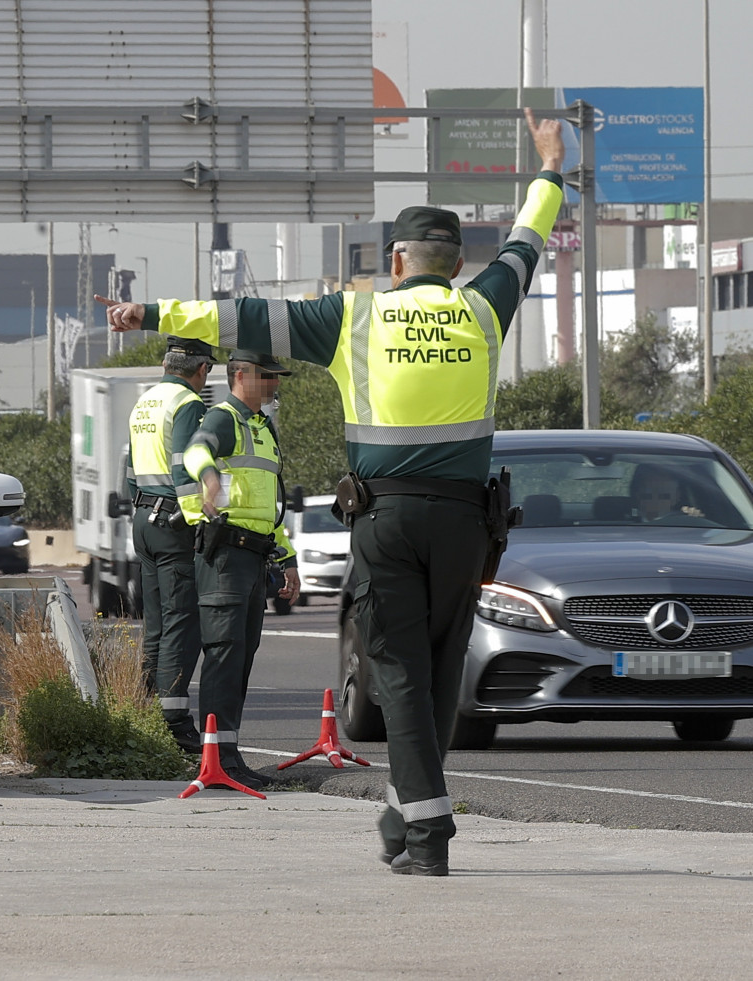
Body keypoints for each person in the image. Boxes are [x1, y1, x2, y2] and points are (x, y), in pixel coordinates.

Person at [97, 107, 565, 871]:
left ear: (398, 259)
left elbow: (239, 314)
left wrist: (145, 313)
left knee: (399, 668)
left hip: (386, 521)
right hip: (465, 523)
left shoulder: (353, 318)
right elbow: (527, 239)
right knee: (442, 668)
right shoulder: (486, 309)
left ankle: (427, 830)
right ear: (453, 263)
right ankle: (403, 812)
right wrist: (548, 165)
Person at [179, 350, 300, 790]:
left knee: (240, 658)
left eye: (277, 377)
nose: (274, 385)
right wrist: (210, 479)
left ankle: (227, 757)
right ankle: (216, 762)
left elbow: (268, 508)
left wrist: (287, 559)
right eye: (267, 377)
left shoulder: (261, 428)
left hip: (254, 555)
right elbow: (195, 450)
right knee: (225, 655)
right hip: (226, 555)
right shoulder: (225, 418)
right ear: (240, 375)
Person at [126, 335, 216, 754]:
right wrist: (201, 519)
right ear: (201, 370)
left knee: (157, 622)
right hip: (172, 520)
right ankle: (174, 722)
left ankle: (143, 710)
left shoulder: (144, 402)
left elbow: (129, 471)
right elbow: (184, 465)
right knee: (182, 620)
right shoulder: (188, 404)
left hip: (143, 518)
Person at [630, 464, 704, 522]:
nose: (656, 497)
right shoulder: (623, 524)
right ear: (637, 493)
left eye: (663, 493)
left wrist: (694, 518)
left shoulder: (689, 524)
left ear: (676, 496)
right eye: (649, 491)